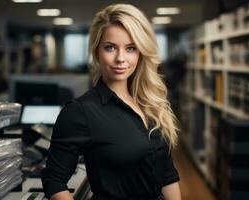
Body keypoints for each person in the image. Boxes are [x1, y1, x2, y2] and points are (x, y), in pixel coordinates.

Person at [41, 3, 181, 200]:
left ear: (141, 52)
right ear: (97, 51)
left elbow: (167, 174)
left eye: (131, 48)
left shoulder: (151, 103)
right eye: (110, 47)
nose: (120, 58)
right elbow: (54, 181)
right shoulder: (80, 111)